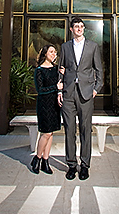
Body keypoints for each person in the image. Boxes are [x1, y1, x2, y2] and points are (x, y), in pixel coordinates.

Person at [59, 17, 103, 181]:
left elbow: (99, 70)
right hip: (69, 94)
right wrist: (59, 91)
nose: (79, 29)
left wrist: (96, 89)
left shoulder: (92, 46)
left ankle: (85, 165)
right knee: (69, 131)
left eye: (81, 26)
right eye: (76, 26)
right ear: (71, 29)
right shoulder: (65, 47)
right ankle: (71, 165)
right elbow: (61, 69)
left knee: (86, 131)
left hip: (86, 94)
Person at [31, 44, 63, 174]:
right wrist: (56, 87)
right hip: (44, 105)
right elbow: (40, 90)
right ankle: (37, 158)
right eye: (51, 52)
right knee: (46, 133)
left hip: (54, 105)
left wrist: (63, 74)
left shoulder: (56, 70)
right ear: (45, 54)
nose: (54, 54)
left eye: (55, 52)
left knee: (51, 134)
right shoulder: (39, 70)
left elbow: (62, 83)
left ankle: (46, 161)